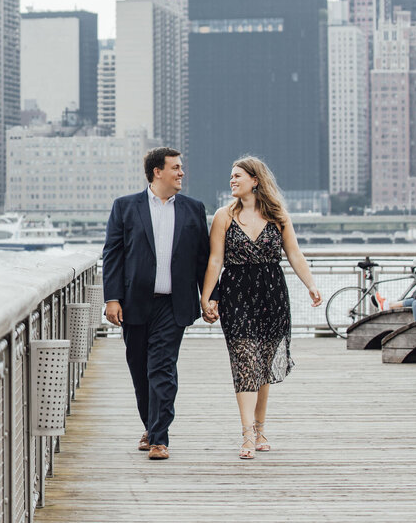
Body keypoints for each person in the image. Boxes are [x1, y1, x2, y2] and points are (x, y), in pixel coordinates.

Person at [199, 156, 321, 459]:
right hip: (236, 294)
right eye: (230, 176)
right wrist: (206, 295)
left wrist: (311, 284)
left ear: (255, 180)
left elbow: (294, 254)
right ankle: (247, 434)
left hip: (272, 294)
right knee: (245, 362)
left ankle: (260, 426)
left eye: (237, 176)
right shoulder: (223, 216)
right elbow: (215, 260)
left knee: (263, 365)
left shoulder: (278, 216)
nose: (232, 180)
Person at [102, 147, 211, 460]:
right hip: (134, 302)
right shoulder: (125, 207)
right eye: (176, 168)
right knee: (139, 368)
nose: (181, 173)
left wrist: (209, 297)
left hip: (173, 304)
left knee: (161, 368)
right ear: (157, 171)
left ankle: (160, 438)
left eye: (181, 168)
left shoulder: (193, 209)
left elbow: (203, 258)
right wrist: (112, 298)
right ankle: (150, 425)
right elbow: (113, 255)